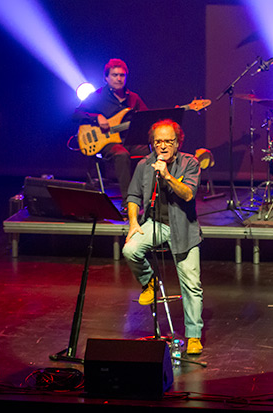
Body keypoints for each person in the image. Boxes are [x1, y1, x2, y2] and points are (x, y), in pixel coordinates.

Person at [122, 119, 204, 355]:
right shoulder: (145, 165)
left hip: (184, 228)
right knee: (130, 249)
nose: (163, 146)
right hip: (155, 223)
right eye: (158, 142)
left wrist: (167, 175)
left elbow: (188, 194)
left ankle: (194, 335)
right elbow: (133, 196)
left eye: (168, 141)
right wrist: (134, 223)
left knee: (192, 285)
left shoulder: (190, 163)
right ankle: (149, 281)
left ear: (178, 143)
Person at [73, 58, 150, 211]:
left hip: (127, 141)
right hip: (106, 143)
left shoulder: (133, 98)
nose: (119, 79)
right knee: (121, 155)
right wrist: (97, 117)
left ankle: (148, 197)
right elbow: (76, 114)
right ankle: (129, 202)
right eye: (114, 75)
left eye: (122, 75)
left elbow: (146, 118)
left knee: (148, 153)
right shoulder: (97, 96)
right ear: (106, 78)